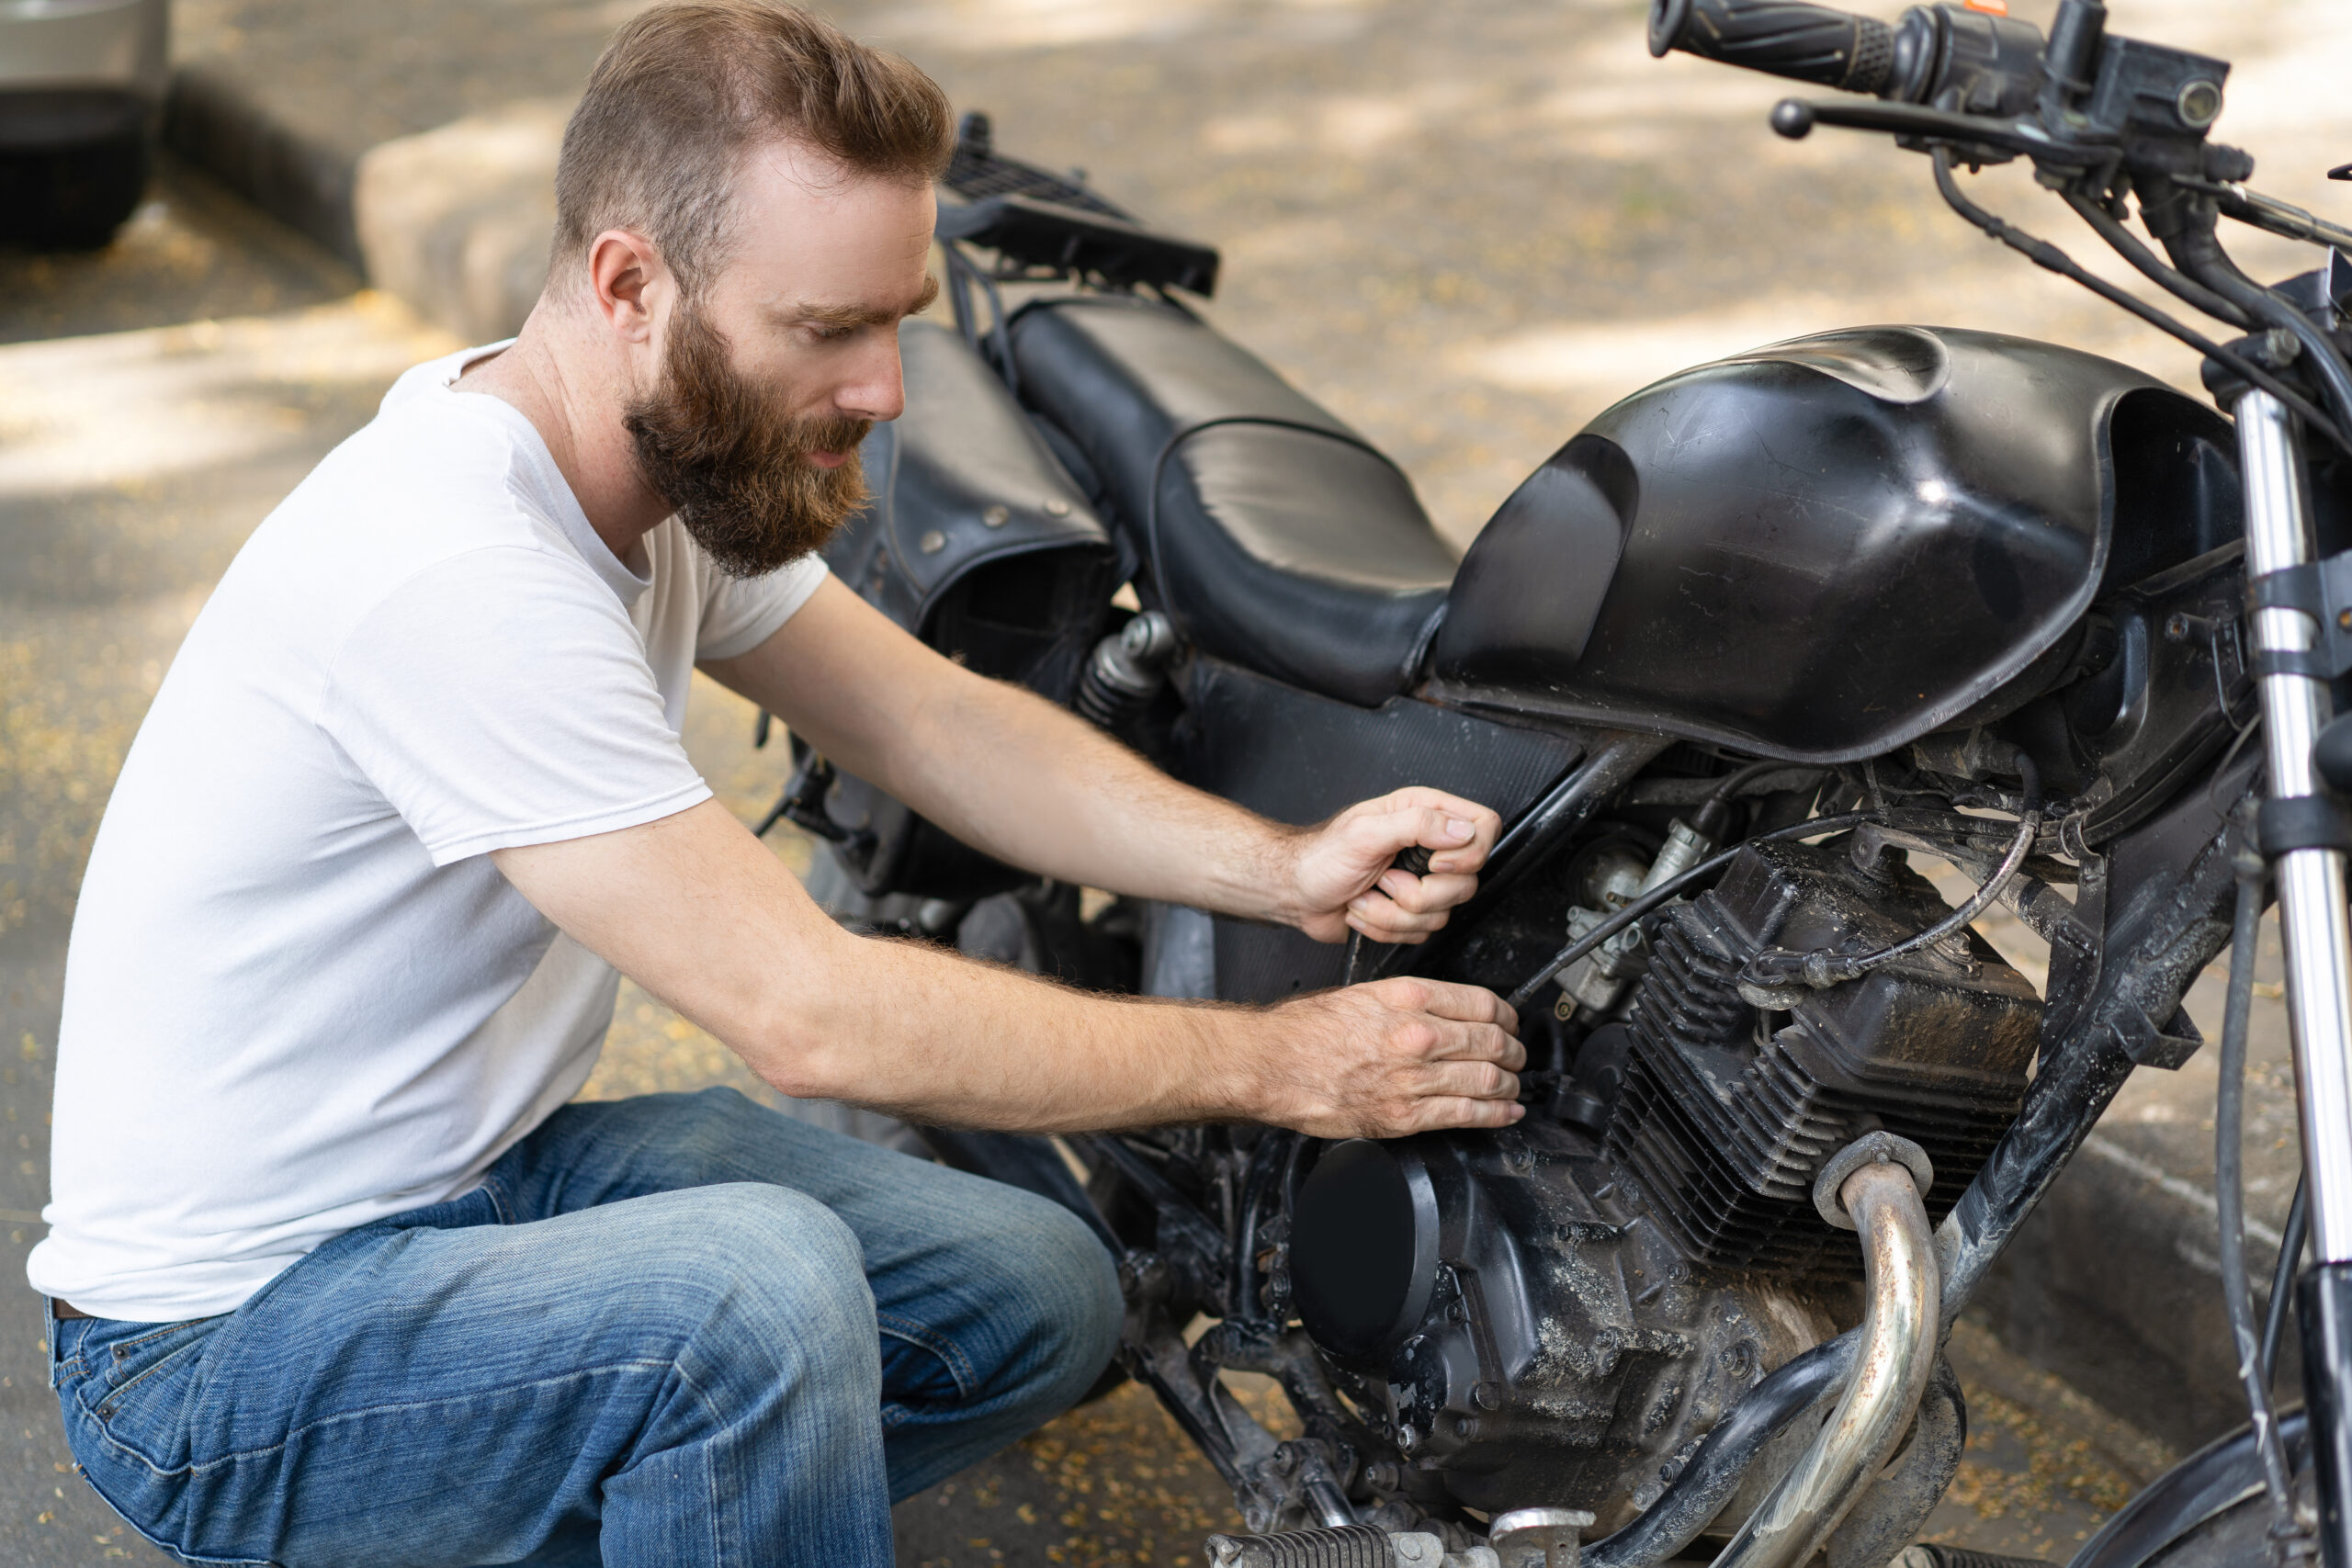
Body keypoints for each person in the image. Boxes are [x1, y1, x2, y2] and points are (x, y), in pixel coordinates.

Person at [28, 3, 1524, 1562]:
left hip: (472, 1189)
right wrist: (1284, 1064)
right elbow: (810, 1018)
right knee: (749, 1306)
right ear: (630, 285)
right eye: (827, 330)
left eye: (901, 319)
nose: (885, 387)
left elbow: (937, 727)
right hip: (217, 1357)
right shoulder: (455, 568)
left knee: (1040, 1290)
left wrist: (1278, 868)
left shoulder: (656, 467)